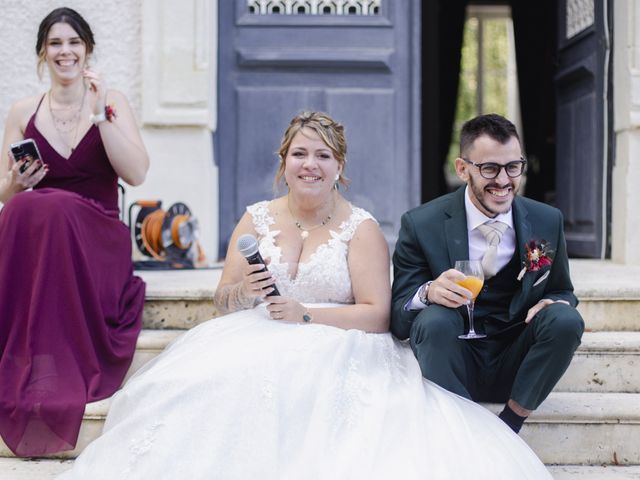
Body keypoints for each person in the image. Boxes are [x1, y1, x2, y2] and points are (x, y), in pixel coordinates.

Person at [59, 111, 551, 479]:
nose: (309, 165)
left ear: (339, 166)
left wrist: (306, 315)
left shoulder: (361, 229)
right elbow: (222, 298)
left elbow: (379, 315)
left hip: (340, 341)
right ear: (284, 162)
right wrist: (243, 292)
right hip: (258, 331)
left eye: (322, 156)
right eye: (300, 154)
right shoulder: (256, 218)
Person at [0, 7, 149, 456]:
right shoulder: (23, 111)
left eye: (73, 43)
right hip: (43, 234)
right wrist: (16, 183)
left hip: (97, 233)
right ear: (42, 54)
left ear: (87, 50)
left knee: (53, 207)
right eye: (56, 44)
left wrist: (103, 117)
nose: (65, 52)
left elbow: (137, 173)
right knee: (26, 208)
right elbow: (5, 194)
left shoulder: (112, 101)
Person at [391, 113, 584, 435]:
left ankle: (510, 425)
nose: (505, 180)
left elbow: (564, 290)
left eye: (513, 167)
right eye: (490, 168)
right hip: (453, 359)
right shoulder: (421, 223)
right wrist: (426, 294)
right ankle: (463, 428)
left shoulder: (547, 220)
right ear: (462, 168)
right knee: (433, 320)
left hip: (515, 357)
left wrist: (554, 301)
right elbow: (398, 320)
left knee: (566, 320)